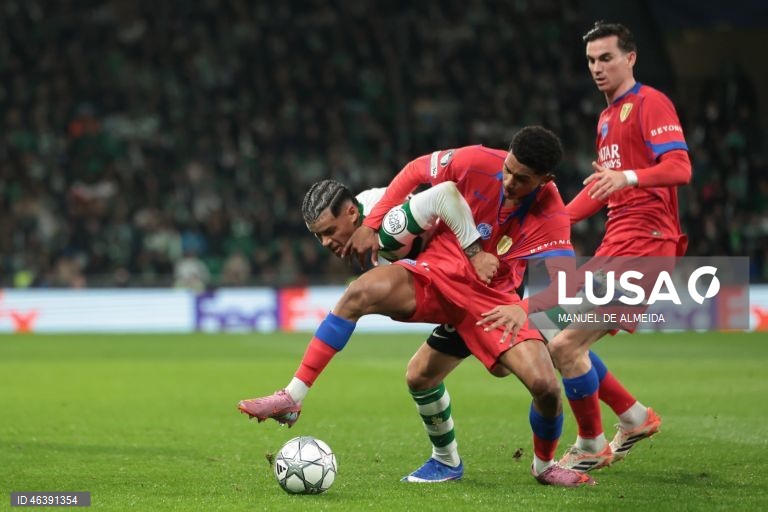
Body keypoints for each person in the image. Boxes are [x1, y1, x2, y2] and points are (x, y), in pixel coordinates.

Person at [239, 126, 592, 487]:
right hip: (436, 273)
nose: (508, 181)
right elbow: (416, 171)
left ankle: (545, 465)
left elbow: (566, 281)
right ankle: (293, 397)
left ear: (545, 179)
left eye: (521, 178)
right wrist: (373, 225)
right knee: (358, 294)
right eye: (508, 169)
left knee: (543, 387)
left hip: (492, 299)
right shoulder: (478, 161)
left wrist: (525, 307)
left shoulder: (552, 217)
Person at [546, 21, 692, 472]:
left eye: (606, 57)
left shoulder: (650, 103)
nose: (597, 68)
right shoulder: (607, 118)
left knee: (566, 345)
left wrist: (628, 177)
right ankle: (632, 417)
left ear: (630, 58)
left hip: (646, 246)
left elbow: (680, 167)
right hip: (617, 243)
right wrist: (554, 219)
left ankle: (591, 446)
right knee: (550, 329)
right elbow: (601, 189)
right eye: (591, 60)